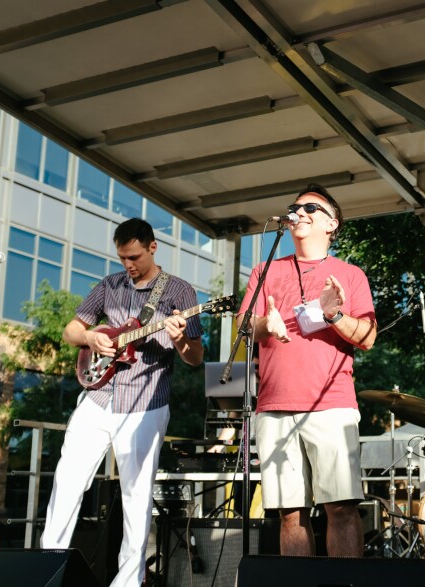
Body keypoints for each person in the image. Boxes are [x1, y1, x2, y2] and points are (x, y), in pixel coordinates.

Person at [41, 218, 204, 587]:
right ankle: (48, 569)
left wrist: (179, 340)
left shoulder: (179, 291)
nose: (128, 265)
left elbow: (195, 357)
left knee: (136, 494)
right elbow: (71, 329)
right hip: (98, 396)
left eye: (134, 257)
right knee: (67, 481)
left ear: (152, 248)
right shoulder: (109, 285)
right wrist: (90, 337)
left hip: (146, 402)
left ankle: (128, 582)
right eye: (122, 257)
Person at [237, 183, 377, 557]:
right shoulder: (264, 270)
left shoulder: (350, 274)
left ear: (332, 223)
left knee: (342, 507)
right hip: (274, 405)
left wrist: (334, 314)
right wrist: (267, 324)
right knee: (289, 513)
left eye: (311, 208)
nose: (299, 213)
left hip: (331, 404)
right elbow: (244, 326)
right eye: (295, 208)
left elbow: (367, 337)